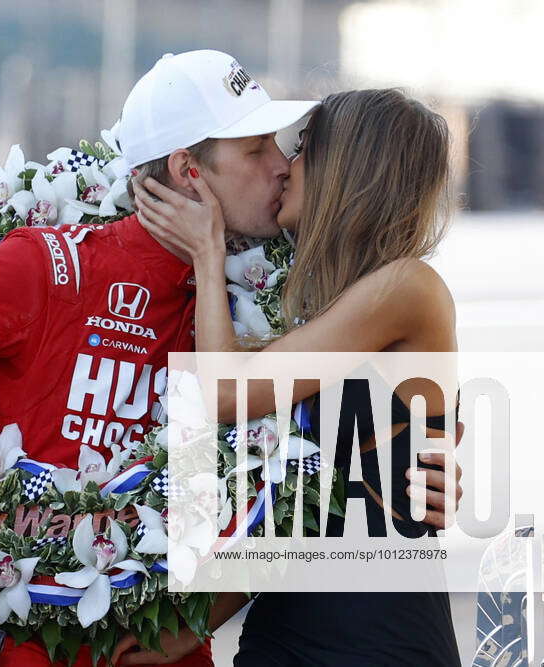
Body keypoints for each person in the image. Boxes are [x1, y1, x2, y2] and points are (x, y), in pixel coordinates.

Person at [0, 52, 458, 665]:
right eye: (257, 150)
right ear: (188, 172)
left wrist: (433, 450)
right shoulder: (48, 268)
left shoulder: (278, 303)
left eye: (286, 149)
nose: (282, 165)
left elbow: (267, 507)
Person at [127, 88, 462, 665]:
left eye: (304, 148)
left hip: (382, 642)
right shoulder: (302, 305)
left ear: (348, 169)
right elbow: (285, 511)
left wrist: (207, 255)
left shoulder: (407, 288)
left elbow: (226, 394)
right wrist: (191, 629)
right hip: (281, 636)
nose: (284, 165)